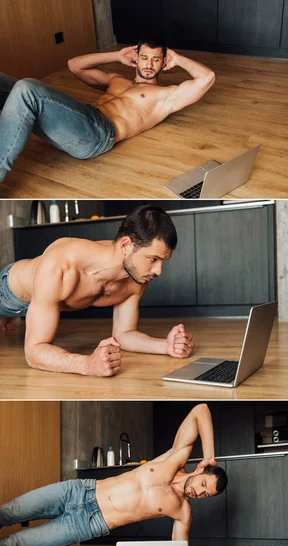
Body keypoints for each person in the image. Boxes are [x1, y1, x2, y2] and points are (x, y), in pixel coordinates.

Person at [0, 403, 228, 546]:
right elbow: (201, 409)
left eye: (206, 495)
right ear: (200, 471)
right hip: (77, 491)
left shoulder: (182, 511)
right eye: (204, 485)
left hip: (87, 524)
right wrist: (209, 456)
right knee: (9, 512)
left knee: (17, 544)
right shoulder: (174, 457)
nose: (200, 493)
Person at [0, 205, 194, 376]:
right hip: (8, 294)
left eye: (162, 261)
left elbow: (124, 333)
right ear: (126, 245)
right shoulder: (62, 264)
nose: (158, 271)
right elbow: (33, 352)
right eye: (153, 259)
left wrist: (165, 346)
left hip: (39, 304)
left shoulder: (137, 276)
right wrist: (87, 364)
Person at [0, 35, 215, 182]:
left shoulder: (165, 96)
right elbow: (74, 65)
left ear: (163, 62)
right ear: (136, 57)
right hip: (77, 123)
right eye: (145, 57)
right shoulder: (116, 79)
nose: (149, 65)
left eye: (156, 59)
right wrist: (116, 55)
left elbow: (207, 78)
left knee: (27, 89)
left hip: (98, 134)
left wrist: (177, 59)